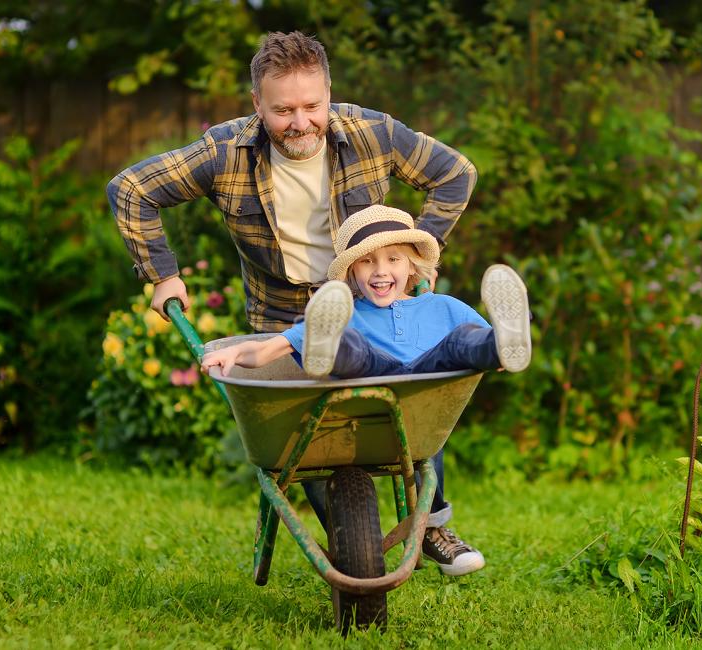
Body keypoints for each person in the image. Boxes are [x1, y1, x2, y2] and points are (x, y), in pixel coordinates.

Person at [106, 31, 480, 572]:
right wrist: (163, 276)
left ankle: (430, 526)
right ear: (257, 104)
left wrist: (419, 253)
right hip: (282, 317)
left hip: (367, 302)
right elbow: (133, 189)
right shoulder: (226, 151)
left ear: (330, 94)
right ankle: (361, 551)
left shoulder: (373, 133)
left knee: (416, 380)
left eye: (312, 106)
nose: (300, 122)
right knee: (310, 440)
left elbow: (454, 174)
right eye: (283, 110)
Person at [201, 205, 532, 576]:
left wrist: (497, 353)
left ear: (412, 267)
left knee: (462, 341)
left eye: (393, 259)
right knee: (352, 345)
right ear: (352, 273)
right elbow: (267, 349)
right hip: (368, 380)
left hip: (422, 388)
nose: (380, 270)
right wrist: (231, 353)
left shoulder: (444, 307)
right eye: (367, 262)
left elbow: (470, 343)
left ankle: (506, 339)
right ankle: (325, 348)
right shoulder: (350, 312)